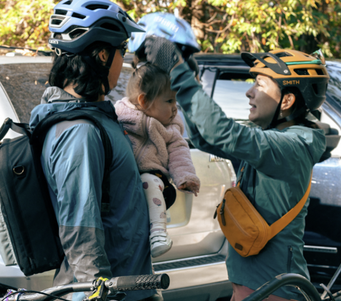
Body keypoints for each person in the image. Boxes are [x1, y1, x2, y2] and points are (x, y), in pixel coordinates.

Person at [138, 36, 329, 300]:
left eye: (260, 85)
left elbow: (222, 132)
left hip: (275, 292)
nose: (250, 92)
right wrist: (186, 83)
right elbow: (208, 138)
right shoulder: (272, 137)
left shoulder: (289, 147)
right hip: (253, 288)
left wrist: (178, 72)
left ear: (286, 102)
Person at [29, 1, 157, 300]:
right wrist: (97, 293)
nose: (124, 60)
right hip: (106, 292)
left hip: (132, 287)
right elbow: (79, 228)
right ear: (102, 54)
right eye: (121, 49)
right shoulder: (80, 132)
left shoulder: (98, 119)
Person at [114, 58, 200, 258]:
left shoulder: (169, 129)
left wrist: (185, 176)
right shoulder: (119, 116)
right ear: (144, 101)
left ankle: (159, 233)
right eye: (169, 101)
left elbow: (180, 152)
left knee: (149, 182)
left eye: (175, 101)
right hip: (123, 180)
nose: (175, 108)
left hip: (152, 176)